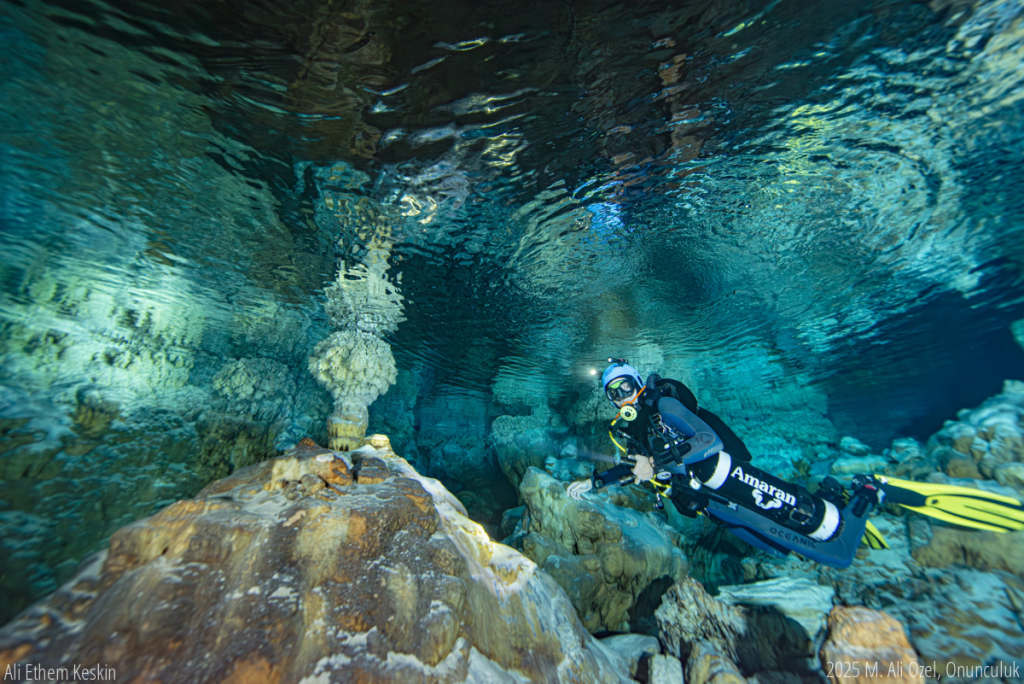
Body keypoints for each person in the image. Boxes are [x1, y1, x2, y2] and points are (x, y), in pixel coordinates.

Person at [567, 358, 1024, 569]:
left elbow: (705, 440)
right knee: (782, 548)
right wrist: (593, 482)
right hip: (716, 507)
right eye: (614, 393)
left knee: (828, 542)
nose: (623, 398)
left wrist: (662, 458)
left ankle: (867, 489)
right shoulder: (634, 431)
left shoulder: (664, 409)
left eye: (626, 387)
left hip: (728, 477)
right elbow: (637, 468)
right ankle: (831, 490)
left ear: (639, 386)